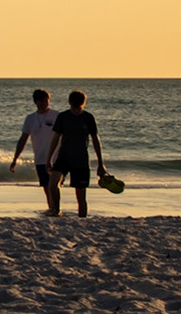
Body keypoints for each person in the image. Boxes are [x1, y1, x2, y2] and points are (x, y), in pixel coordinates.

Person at [46, 90, 107, 218]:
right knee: (53, 184)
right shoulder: (63, 117)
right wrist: (49, 158)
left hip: (81, 160)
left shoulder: (88, 118)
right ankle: (56, 211)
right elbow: (55, 138)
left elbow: (96, 140)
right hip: (63, 157)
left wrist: (101, 163)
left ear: (83, 103)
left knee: (80, 194)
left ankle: (82, 218)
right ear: (70, 102)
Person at [8, 88, 62, 216]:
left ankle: (56, 209)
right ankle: (52, 208)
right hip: (40, 157)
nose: (43, 103)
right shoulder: (30, 119)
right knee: (45, 186)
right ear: (35, 102)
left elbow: (64, 135)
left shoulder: (57, 116)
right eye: (40, 101)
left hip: (56, 157)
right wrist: (15, 159)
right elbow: (23, 139)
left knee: (53, 185)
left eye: (45, 101)